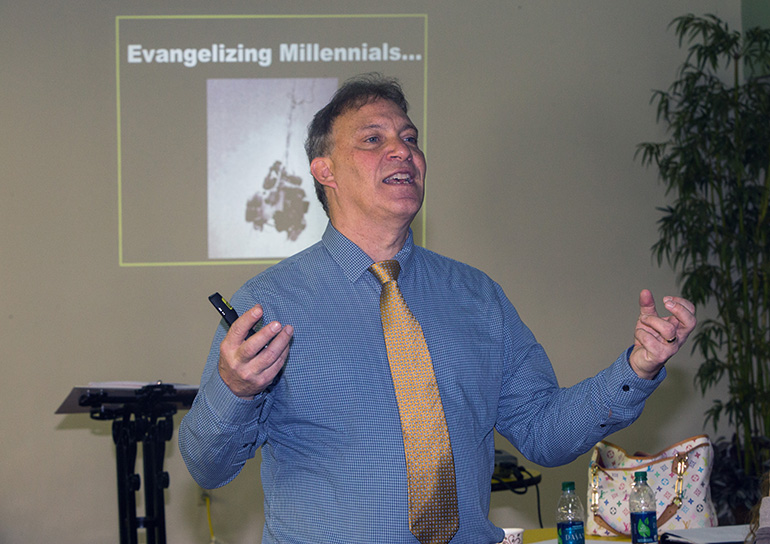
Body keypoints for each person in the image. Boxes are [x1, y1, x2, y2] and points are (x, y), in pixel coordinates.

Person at [179, 73, 696, 544]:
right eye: (373, 139)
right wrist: (234, 390)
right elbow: (207, 466)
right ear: (325, 170)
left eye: (410, 139)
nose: (402, 152)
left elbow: (545, 432)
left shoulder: (477, 296)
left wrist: (637, 366)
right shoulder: (267, 304)